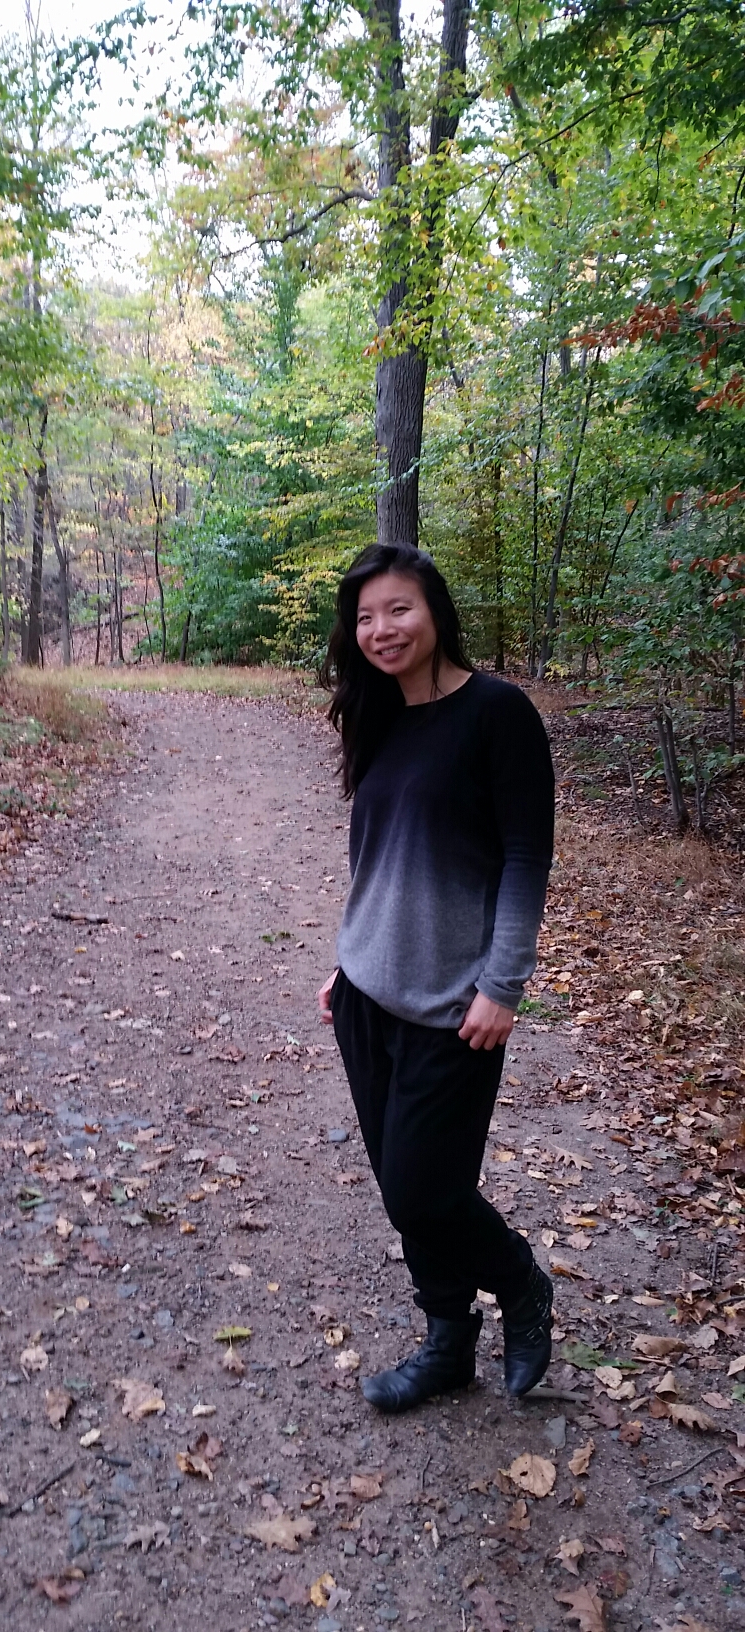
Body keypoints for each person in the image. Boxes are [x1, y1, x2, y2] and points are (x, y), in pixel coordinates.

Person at [316, 543, 555, 1411]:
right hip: (365, 994)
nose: (381, 629)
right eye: (365, 616)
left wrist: (503, 985)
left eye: (399, 609)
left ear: (435, 612)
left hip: (455, 1004)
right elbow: (375, 857)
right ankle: (448, 1343)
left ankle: (521, 1283)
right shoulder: (378, 714)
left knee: (427, 1190)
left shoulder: (497, 712)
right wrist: (346, 959)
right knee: (402, 1190)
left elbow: (527, 857)